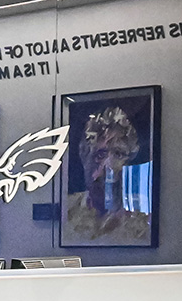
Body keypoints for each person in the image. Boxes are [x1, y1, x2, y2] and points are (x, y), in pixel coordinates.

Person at [63, 105, 150, 245]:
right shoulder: (65, 210)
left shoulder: (142, 218)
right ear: (84, 155)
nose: (108, 166)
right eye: (100, 155)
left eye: (118, 154)